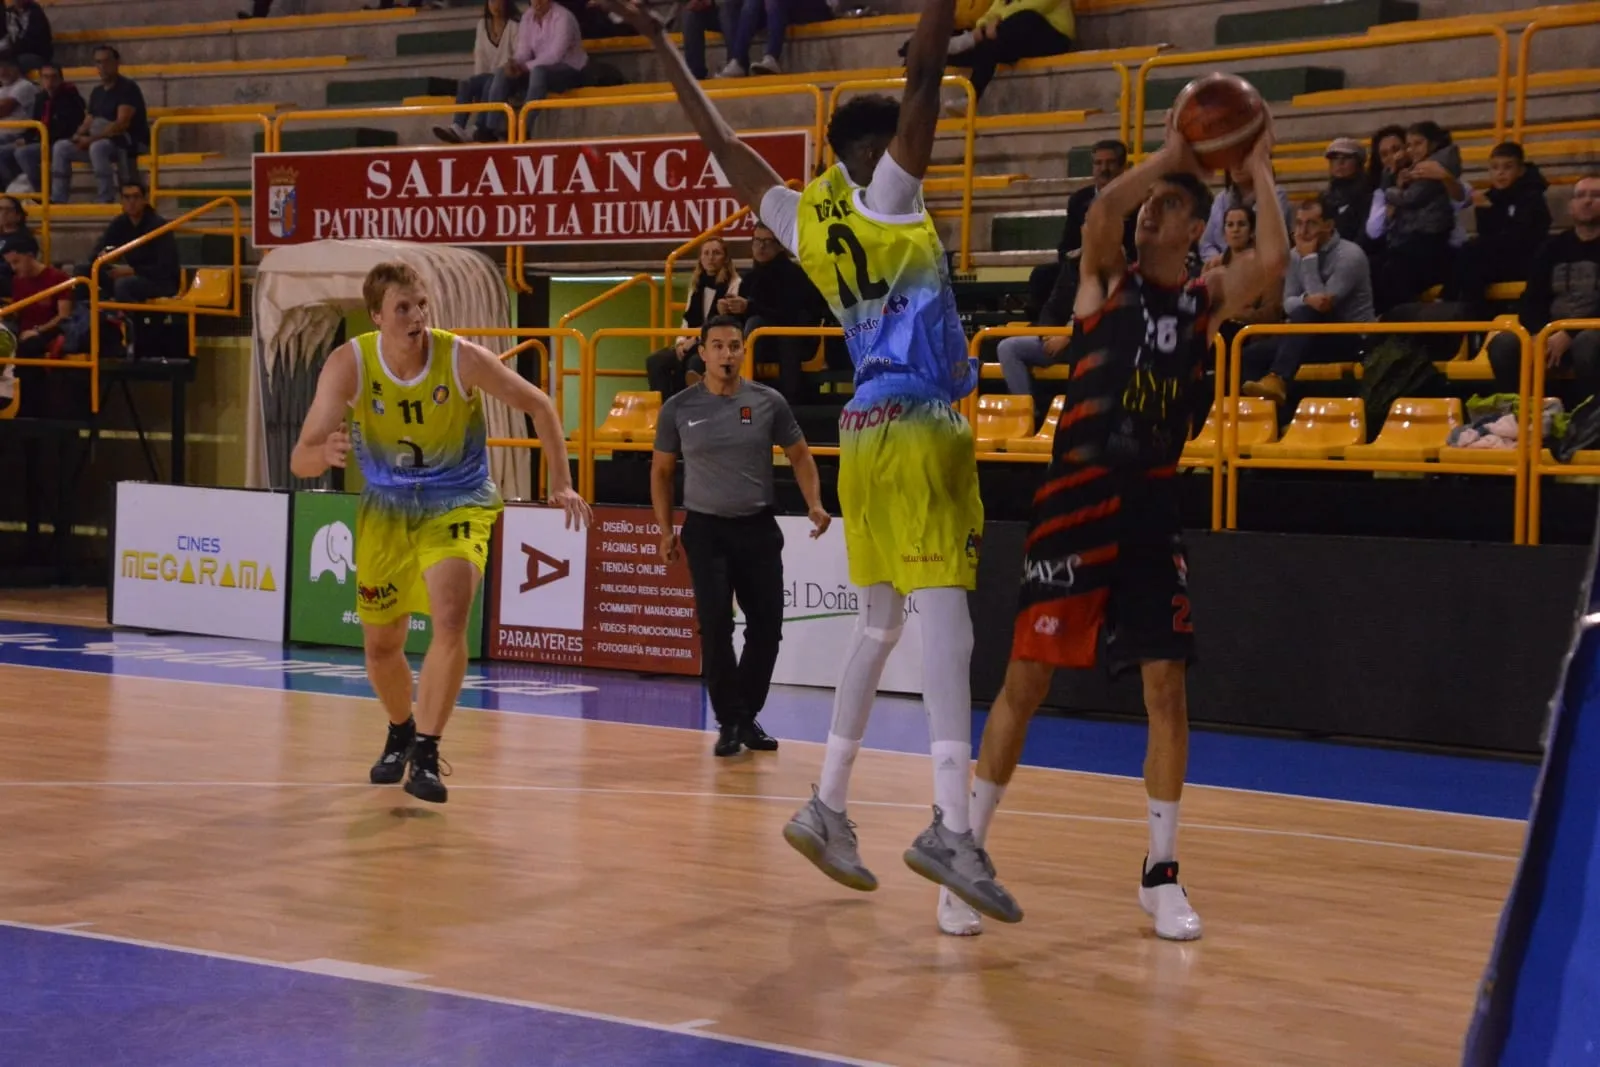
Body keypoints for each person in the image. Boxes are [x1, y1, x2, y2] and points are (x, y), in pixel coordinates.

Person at [595, 0, 1022, 929]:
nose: (916, 148)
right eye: (901, 141)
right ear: (874, 151)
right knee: (948, 629)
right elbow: (923, 83)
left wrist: (661, 41)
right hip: (919, 424)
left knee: (879, 624)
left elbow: (720, 144)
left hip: (862, 430)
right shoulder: (889, 193)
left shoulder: (804, 215)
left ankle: (828, 803)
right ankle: (953, 828)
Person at [967, 112, 1289, 940]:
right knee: (1026, 683)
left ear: (1195, 228)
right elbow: (1103, 213)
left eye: (1169, 205)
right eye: (1150, 202)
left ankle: (1161, 873)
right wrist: (1169, 157)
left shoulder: (1201, 301)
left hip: (1149, 506)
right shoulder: (1104, 279)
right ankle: (965, 852)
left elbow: (1272, 263)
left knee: (1167, 689)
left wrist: (1257, 169)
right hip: (1073, 501)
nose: (1150, 211)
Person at [289, 261, 591, 803]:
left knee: (450, 618)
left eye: (422, 305)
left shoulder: (459, 357)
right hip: (386, 508)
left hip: (458, 499)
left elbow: (539, 404)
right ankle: (401, 729)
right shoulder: (349, 364)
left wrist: (563, 484)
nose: (416, 316)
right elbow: (301, 458)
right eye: (403, 307)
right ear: (377, 316)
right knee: (381, 645)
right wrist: (322, 453)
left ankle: (426, 753)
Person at [651, 314, 830, 757]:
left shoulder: (768, 402)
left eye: (734, 346)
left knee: (767, 629)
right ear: (702, 352)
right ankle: (730, 721)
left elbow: (801, 455)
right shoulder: (678, 408)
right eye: (717, 346)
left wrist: (814, 503)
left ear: (743, 352)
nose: (726, 354)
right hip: (706, 530)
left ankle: (746, 715)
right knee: (716, 628)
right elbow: (662, 472)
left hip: (758, 528)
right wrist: (665, 530)